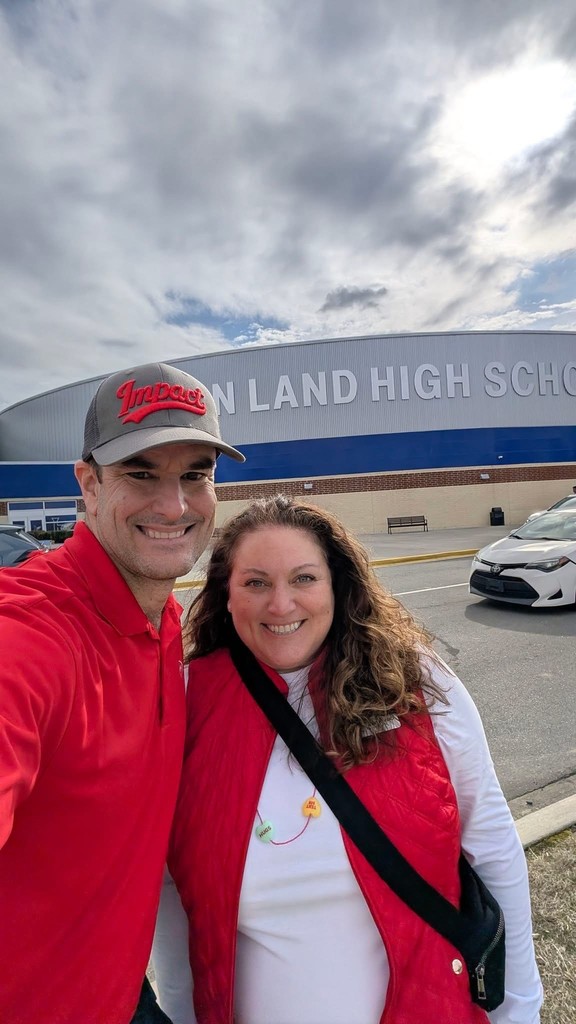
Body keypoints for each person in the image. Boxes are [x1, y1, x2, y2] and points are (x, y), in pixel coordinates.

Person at [154, 495, 543, 1024]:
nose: (281, 604)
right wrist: (180, 1011)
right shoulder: (186, 700)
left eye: (304, 579)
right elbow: (174, 891)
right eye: (256, 582)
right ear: (226, 595)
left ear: (338, 586)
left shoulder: (415, 683)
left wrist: (519, 1009)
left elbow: (492, 843)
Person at [0, 360, 244, 1024]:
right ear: (88, 483)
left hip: (122, 995)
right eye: (141, 473)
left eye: (196, 474)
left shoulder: (164, 621)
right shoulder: (31, 633)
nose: (174, 505)